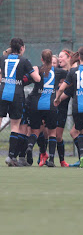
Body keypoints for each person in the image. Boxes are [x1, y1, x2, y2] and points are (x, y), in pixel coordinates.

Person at [54, 46, 83, 169]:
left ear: (79, 57)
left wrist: (57, 98)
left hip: (78, 106)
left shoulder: (73, 72)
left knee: (80, 132)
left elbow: (63, 88)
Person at [0, 38, 40, 166]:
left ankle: (12, 157)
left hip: (2, 91)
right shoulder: (24, 61)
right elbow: (37, 79)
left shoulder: (3, 59)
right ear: (22, 48)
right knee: (15, 126)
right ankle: (11, 156)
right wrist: (35, 71)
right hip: (16, 94)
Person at [26, 49, 67, 167]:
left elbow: (28, 78)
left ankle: (30, 147)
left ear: (42, 59)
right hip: (51, 105)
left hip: (36, 104)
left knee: (35, 131)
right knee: (52, 132)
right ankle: (52, 160)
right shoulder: (58, 71)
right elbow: (70, 77)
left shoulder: (37, 69)